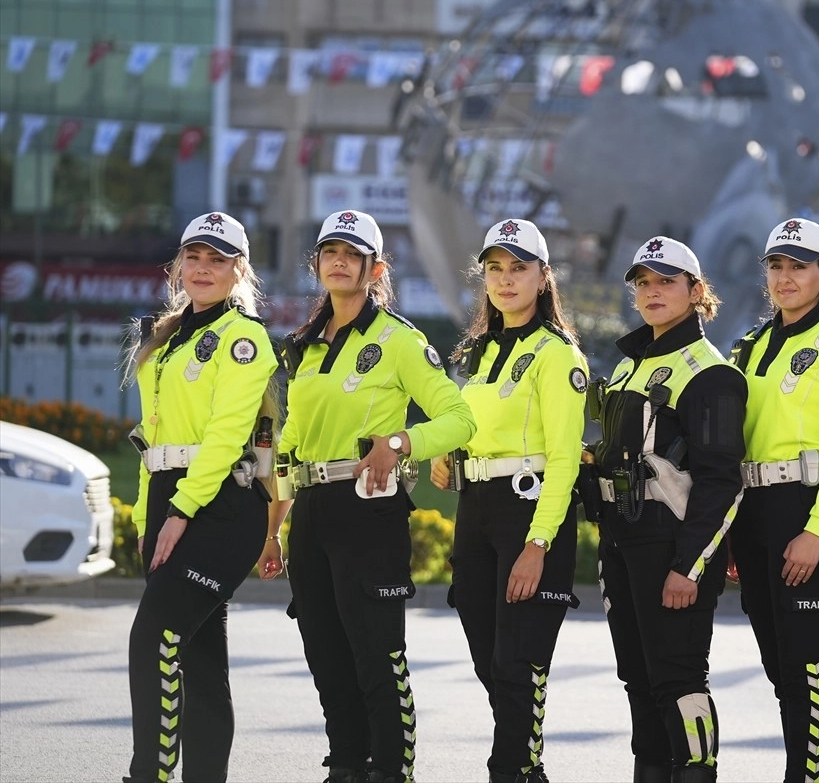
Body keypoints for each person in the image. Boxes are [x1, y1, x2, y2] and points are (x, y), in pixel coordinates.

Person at [258, 210, 475, 783]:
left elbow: (460, 419)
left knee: (378, 658)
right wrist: (273, 527)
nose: (338, 262)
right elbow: (290, 446)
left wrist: (401, 442)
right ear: (317, 264)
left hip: (369, 510)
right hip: (311, 515)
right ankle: (347, 765)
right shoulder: (303, 346)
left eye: (351, 254)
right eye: (329, 252)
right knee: (327, 659)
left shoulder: (401, 340)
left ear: (375, 268)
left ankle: (392, 771)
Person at [429, 219, 589, 783]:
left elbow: (565, 459)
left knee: (517, 664)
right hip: (476, 511)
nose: (505, 279)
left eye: (519, 267)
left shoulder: (558, 355)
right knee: (487, 660)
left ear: (544, 277)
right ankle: (527, 765)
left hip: (531, 513)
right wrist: (449, 451)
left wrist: (538, 543)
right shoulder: (476, 352)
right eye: (494, 268)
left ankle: (513, 770)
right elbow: (469, 421)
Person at [121, 212, 279, 783]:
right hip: (168, 501)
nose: (204, 269)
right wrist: (149, 516)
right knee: (200, 659)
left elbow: (224, 437)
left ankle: (148, 775)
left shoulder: (245, 338)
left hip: (222, 506)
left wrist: (182, 511)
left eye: (218, 260)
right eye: (195, 257)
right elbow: (152, 438)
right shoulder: (163, 341)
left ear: (239, 270)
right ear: (179, 266)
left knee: (153, 635)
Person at [589, 236, 747, 783]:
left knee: (678, 678)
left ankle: (699, 774)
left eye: (667, 281)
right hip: (623, 540)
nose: (652, 292)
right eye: (644, 283)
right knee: (638, 677)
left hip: (671, 544)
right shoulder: (633, 364)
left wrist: (689, 566)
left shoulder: (710, 372)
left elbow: (722, 482)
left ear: (696, 291)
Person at [727, 218, 819, 783]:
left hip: (811, 512)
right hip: (757, 515)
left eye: (799, 267)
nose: (786, 278)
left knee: (808, 666)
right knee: (779, 666)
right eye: (777, 266)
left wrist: (817, 531)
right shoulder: (751, 346)